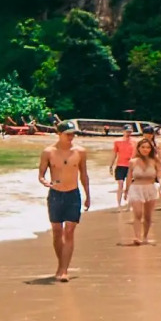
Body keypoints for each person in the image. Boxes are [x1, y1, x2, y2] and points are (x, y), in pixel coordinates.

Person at [38, 120, 91, 281]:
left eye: (73, 134)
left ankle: (64, 270)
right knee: (56, 232)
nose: (71, 137)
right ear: (59, 134)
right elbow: (41, 174)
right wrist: (44, 181)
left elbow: (84, 174)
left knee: (69, 231)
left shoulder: (80, 152)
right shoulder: (48, 152)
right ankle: (61, 264)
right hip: (55, 195)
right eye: (68, 134)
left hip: (73, 194)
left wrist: (88, 195)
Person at [125, 134, 161, 245]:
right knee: (137, 213)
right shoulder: (133, 162)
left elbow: (160, 176)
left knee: (148, 215)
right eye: (143, 147)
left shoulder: (155, 161)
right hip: (136, 188)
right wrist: (126, 190)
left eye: (148, 147)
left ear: (151, 149)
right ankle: (137, 237)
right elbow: (129, 177)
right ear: (138, 148)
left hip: (150, 188)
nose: (145, 149)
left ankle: (145, 236)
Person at [110, 126, 136, 206]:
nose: (128, 133)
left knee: (130, 185)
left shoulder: (134, 142)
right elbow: (114, 153)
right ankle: (119, 204)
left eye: (130, 132)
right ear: (123, 132)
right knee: (120, 183)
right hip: (120, 165)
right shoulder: (117, 141)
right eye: (127, 131)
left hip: (130, 166)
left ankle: (128, 201)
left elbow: (136, 154)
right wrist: (111, 165)